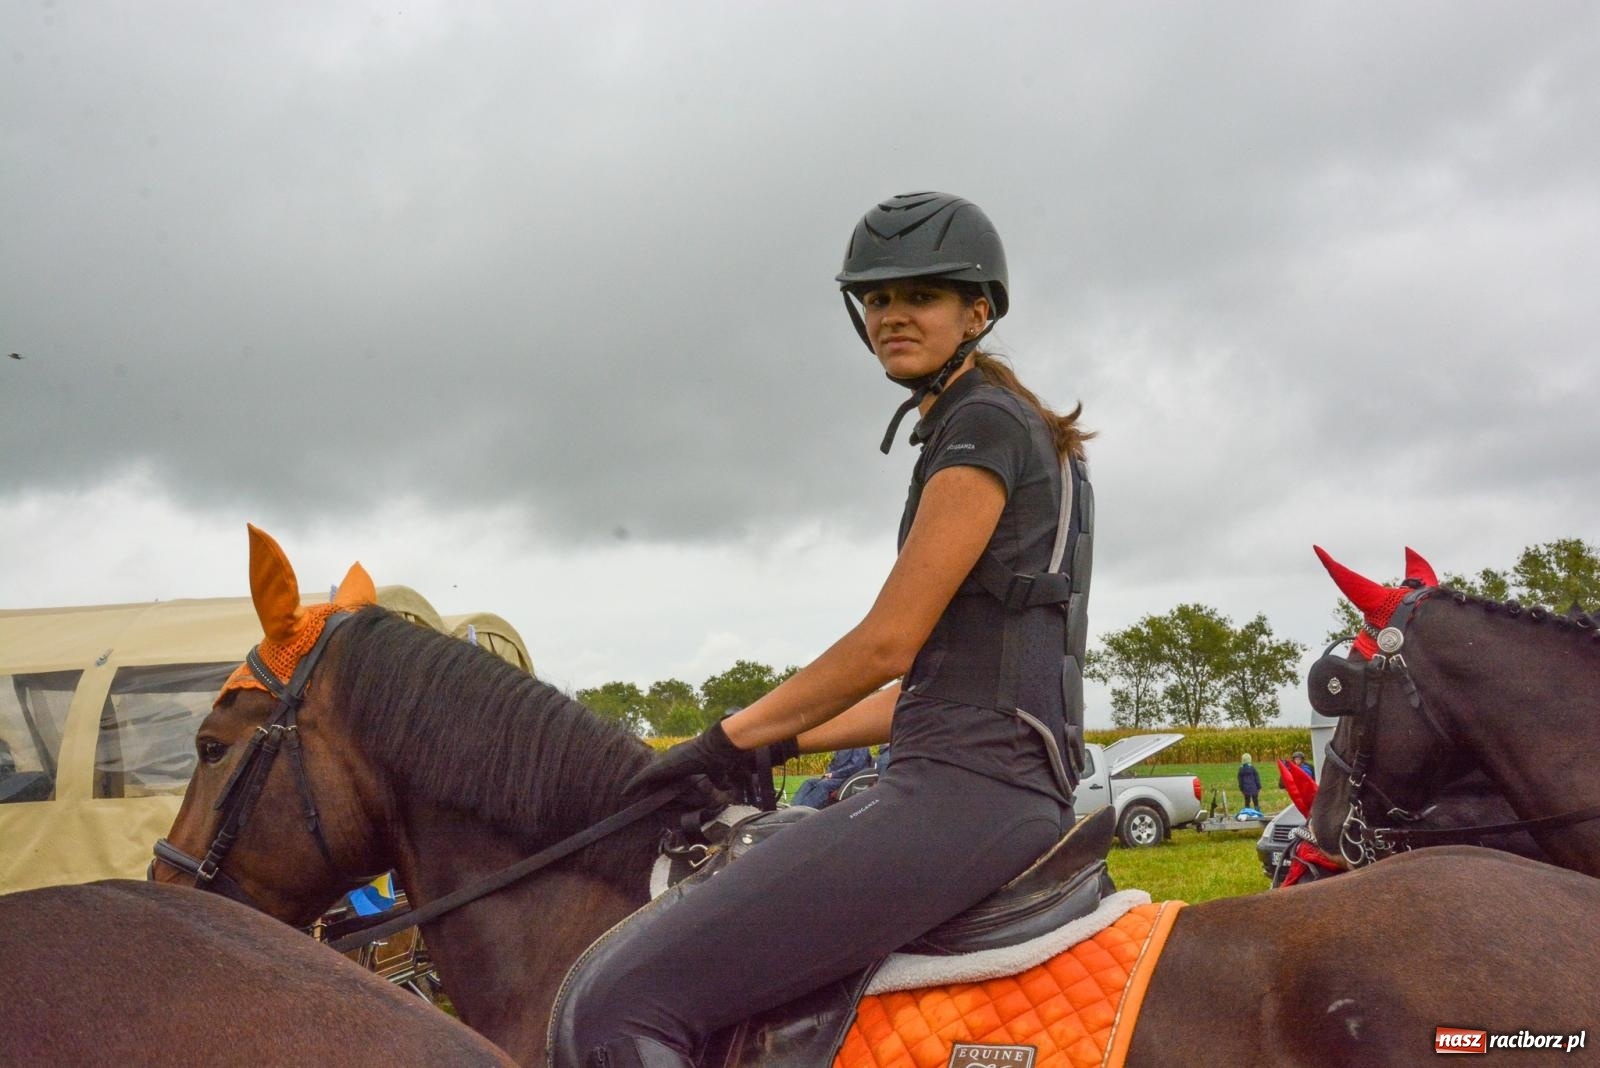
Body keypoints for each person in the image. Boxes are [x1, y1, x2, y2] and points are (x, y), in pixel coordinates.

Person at [562, 192, 1095, 1068]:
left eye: (919, 296)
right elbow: (929, 687)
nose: (892, 316)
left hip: (960, 801)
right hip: (996, 788)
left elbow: (889, 640)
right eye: (877, 299)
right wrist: (785, 744)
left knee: (617, 1004)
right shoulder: (1015, 428)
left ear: (978, 310)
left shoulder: (981, 426)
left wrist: (723, 738)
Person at [789, 746, 872, 809]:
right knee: (809, 782)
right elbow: (833, 763)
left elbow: (855, 766)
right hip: (836, 777)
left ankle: (803, 811)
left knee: (823, 785)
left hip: (848, 778)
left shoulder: (860, 745)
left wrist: (834, 774)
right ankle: (792, 808)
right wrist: (828, 773)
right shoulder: (844, 744)